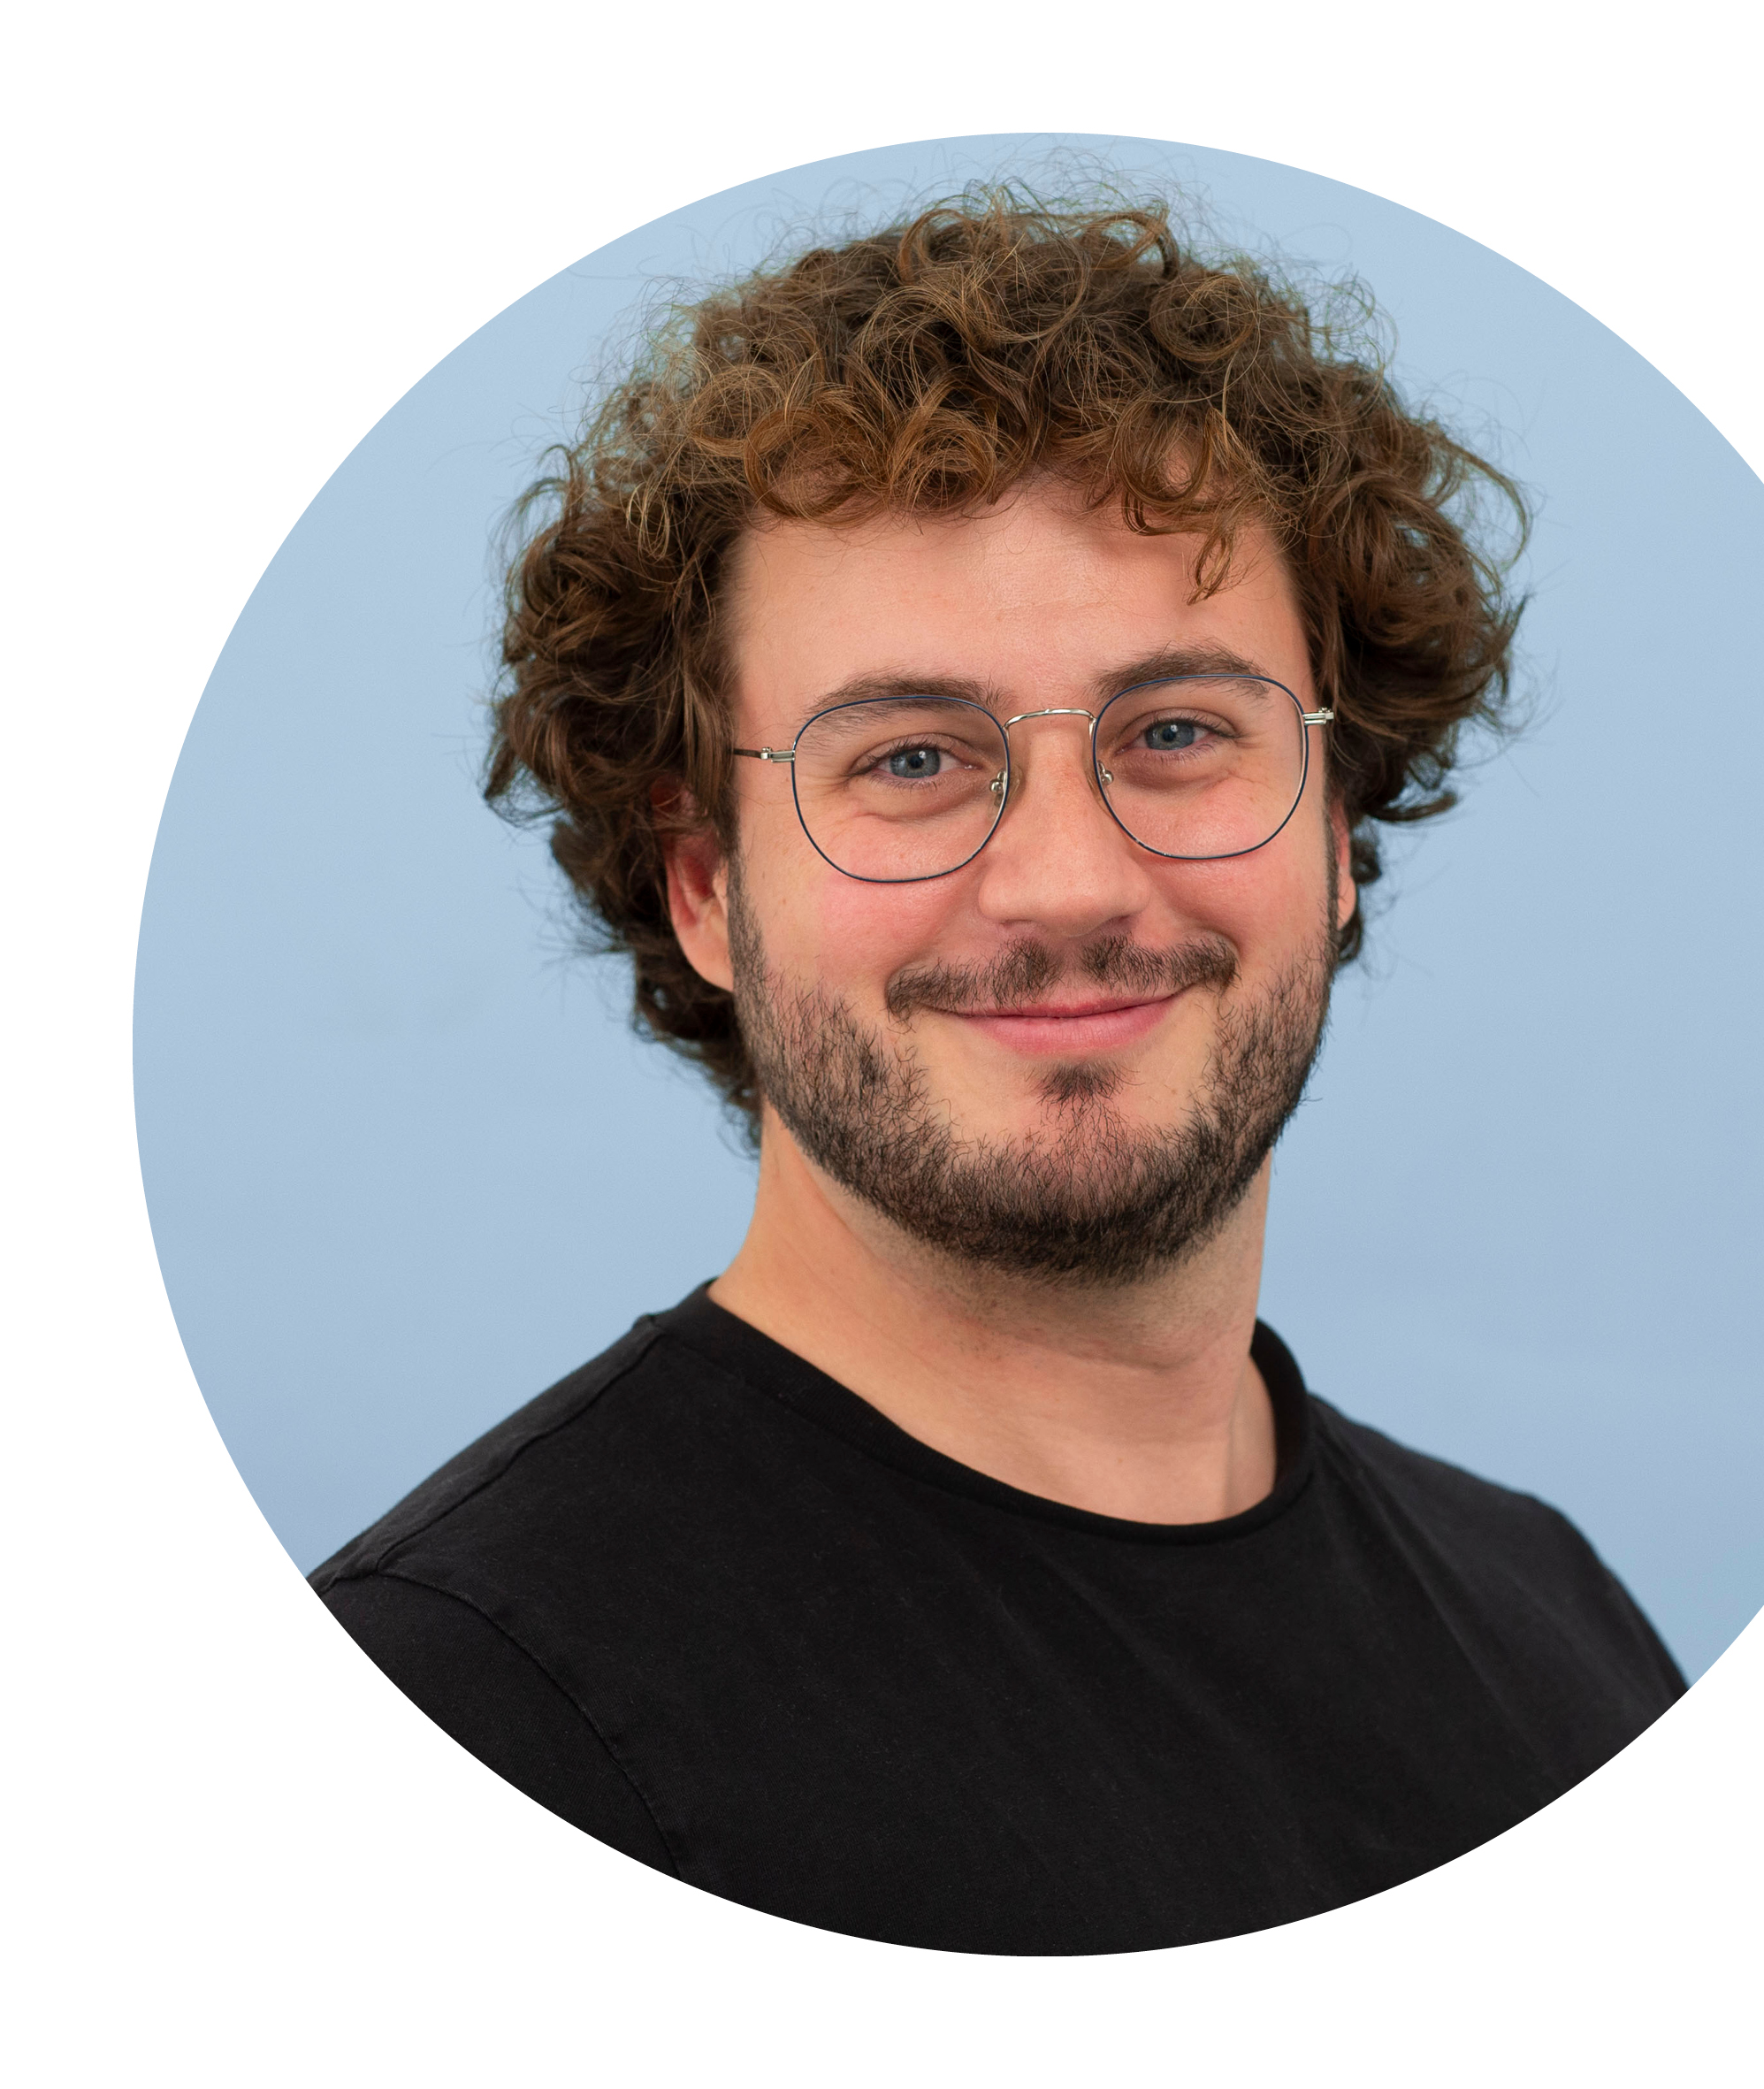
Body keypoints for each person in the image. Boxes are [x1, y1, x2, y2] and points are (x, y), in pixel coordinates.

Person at [312, 189, 1684, 1954]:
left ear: (1336, 828)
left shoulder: (1556, 1627)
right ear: (704, 884)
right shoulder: (459, 1717)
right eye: (909, 757)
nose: (1065, 881)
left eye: (1176, 732)